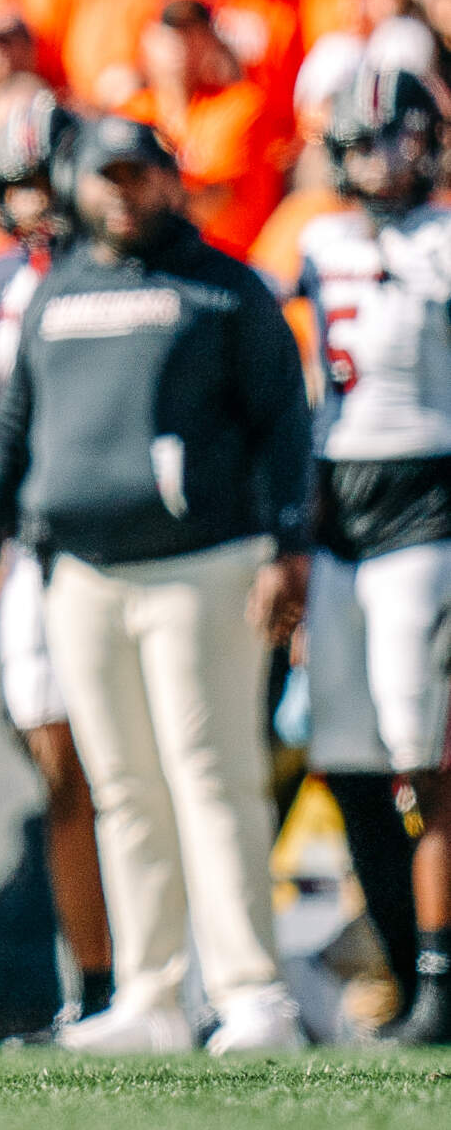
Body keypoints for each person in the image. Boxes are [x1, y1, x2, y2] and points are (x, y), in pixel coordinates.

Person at [0, 115, 313, 1055]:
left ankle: (250, 992)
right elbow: (11, 435)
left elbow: (283, 422)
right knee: (121, 788)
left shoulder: (224, 287)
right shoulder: (56, 292)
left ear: (169, 179)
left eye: (136, 174)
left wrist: (288, 545)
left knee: (212, 776)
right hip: (80, 570)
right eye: (104, 177)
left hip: (203, 564)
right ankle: (151, 993)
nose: (120, 192)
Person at [295, 67, 451, 1044]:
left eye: (388, 140)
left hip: (426, 498)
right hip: (333, 510)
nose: (372, 162)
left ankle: (439, 973)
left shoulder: (442, 242)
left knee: (418, 754)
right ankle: (401, 960)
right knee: (344, 757)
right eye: (356, 143)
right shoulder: (314, 240)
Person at [0, 92, 117, 1031]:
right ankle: (93, 980)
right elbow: (3, 434)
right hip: (31, 544)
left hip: (119, 541)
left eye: (41, 180)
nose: (31, 204)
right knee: (62, 771)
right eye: (13, 187)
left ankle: (172, 974)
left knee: (139, 769)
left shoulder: (124, 268)